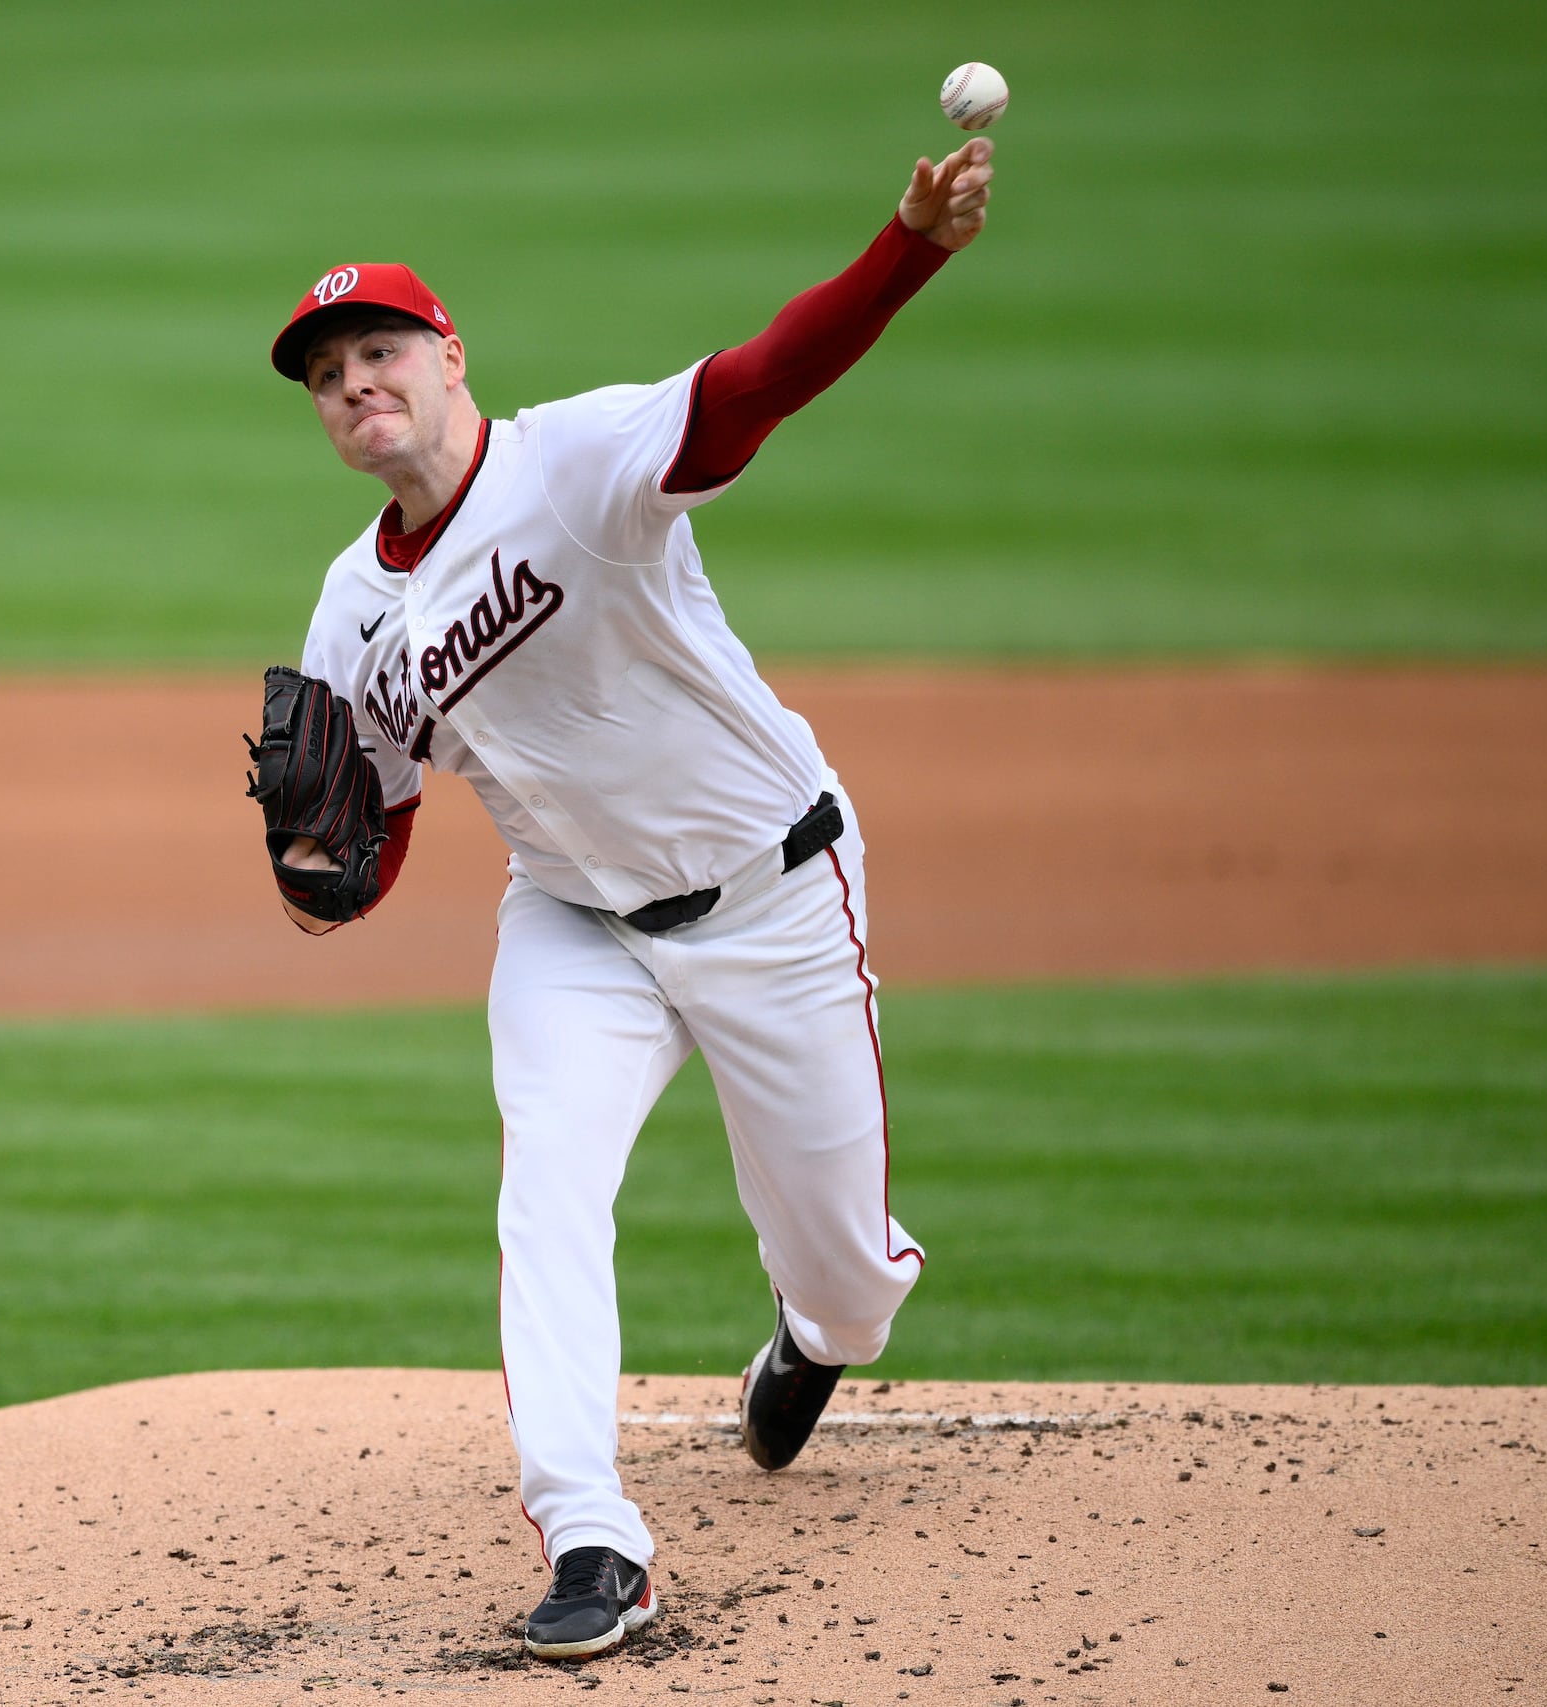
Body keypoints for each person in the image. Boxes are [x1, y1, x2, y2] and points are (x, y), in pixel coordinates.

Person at [257, 138, 994, 1660]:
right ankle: (594, 1533)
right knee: (547, 1194)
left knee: (851, 1278)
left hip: (774, 893)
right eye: (327, 371)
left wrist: (906, 245)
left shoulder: (576, 461)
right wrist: (326, 863)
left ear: (449, 356)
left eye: (379, 349)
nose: (354, 382)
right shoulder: (349, 609)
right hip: (572, 923)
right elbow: (372, 838)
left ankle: (815, 1333)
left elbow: (761, 382)